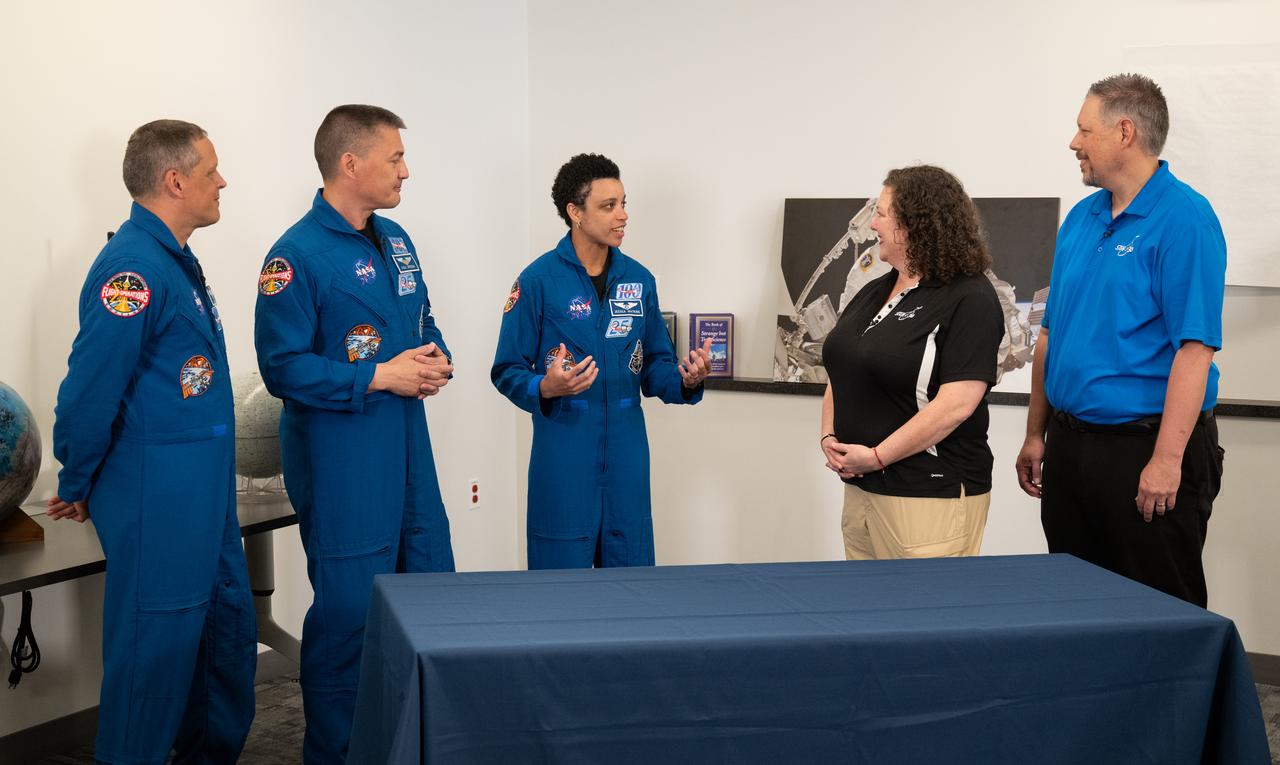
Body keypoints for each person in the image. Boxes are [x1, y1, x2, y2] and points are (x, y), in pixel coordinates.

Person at [48, 120, 256, 763]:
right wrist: (76, 478)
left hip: (202, 499)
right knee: (153, 665)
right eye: (210, 170)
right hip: (159, 501)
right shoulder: (133, 269)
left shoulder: (175, 261)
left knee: (220, 648)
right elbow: (89, 392)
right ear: (174, 180)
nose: (222, 181)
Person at [254, 104, 455, 762]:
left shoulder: (396, 239)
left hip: (408, 451)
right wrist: (379, 376)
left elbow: (421, 320)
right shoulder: (295, 255)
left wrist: (433, 358)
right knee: (350, 616)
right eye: (394, 157)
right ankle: (338, 753)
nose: (406, 169)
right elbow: (283, 367)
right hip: (343, 457)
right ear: (350, 163)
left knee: (430, 592)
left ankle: (420, 744)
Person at [1016, 74, 1226, 608]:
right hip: (1071, 448)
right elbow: (1050, 334)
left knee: (1157, 608)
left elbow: (1194, 351)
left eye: (1084, 130)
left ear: (1125, 132)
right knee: (1074, 603)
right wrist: (1035, 433)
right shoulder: (1082, 218)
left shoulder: (1185, 219)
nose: (1074, 143)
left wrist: (1166, 461)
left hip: (1145, 449)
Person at [492, 153, 712, 569]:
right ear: (575, 212)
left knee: (631, 586)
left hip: (627, 453)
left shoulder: (639, 280)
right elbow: (507, 370)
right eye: (608, 206)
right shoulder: (537, 281)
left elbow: (655, 366)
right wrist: (545, 387)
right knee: (559, 590)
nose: (623, 216)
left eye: (624, 203)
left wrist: (686, 378)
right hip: (564, 450)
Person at [820, 165, 1003, 560]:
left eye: (882, 213)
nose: (872, 224)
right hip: (863, 491)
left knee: (925, 617)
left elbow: (956, 405)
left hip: (928, 495)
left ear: (915, 224)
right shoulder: (874, 291)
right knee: (865, 619)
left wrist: (878, 456)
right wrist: (828, 438)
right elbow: (842, 368)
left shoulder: (970, 297)